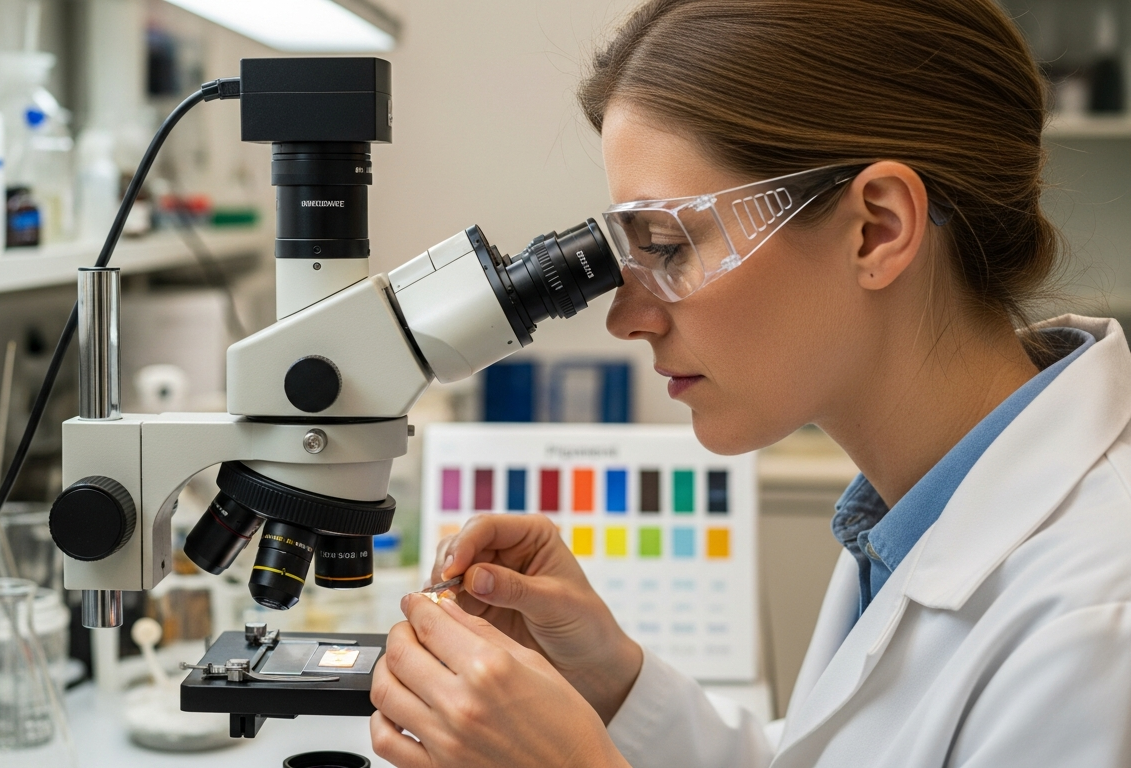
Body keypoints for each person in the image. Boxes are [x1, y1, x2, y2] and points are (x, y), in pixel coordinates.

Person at [367, 1, 1131, 766]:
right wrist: (614, 687)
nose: (627, 318)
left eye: (667, 246)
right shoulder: (915, 513)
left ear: (878, 229)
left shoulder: (1098, 621)